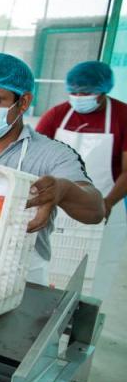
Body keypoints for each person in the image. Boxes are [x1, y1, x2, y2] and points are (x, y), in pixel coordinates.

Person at [0, 53, 104, 285]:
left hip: (22, 280)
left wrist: (64, 190)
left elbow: (95, 211)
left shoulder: (53, 155)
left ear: (23, 102)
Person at [36, 61, 126, 300]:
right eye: (74, 92)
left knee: (95, 269)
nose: (78, 97)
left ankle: (84, 318)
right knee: (50, 267)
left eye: (85, 93)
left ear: (103, 90)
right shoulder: (57, 115)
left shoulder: (122, 116)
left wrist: (106, 203)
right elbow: (35, 154)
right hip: (55, 202)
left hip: (106, 203)